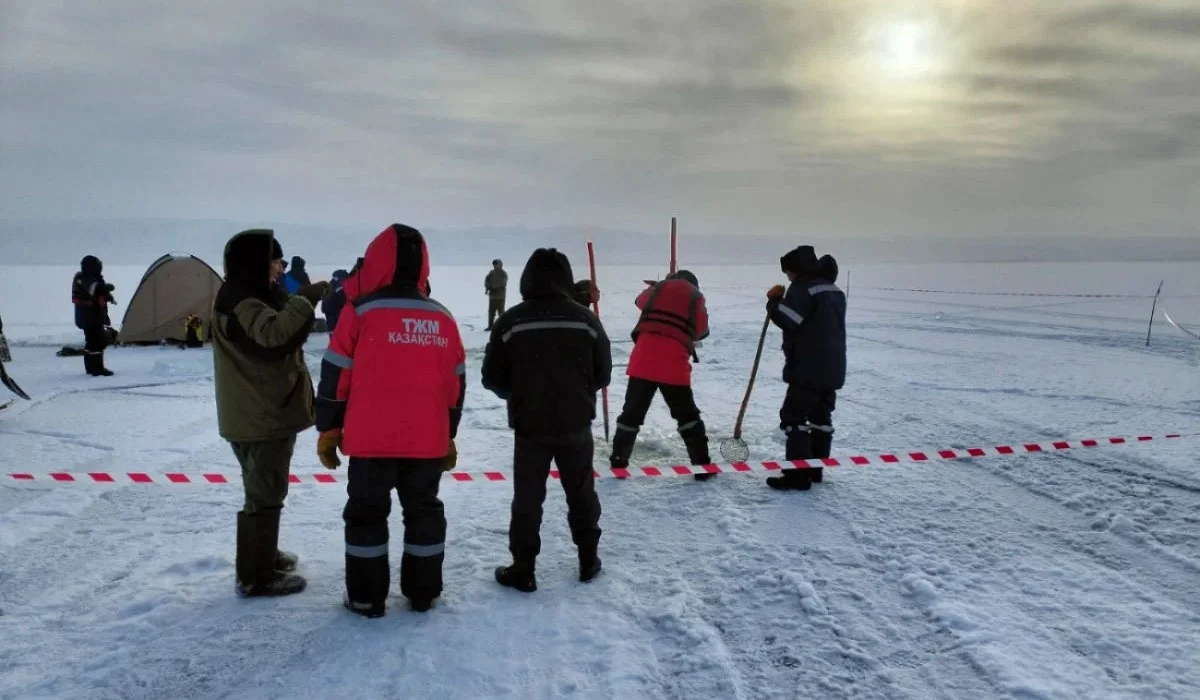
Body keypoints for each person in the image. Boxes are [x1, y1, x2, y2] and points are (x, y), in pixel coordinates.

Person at [315, 223, 466, 618]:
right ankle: (423, 593)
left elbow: (335, 374)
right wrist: (448, 434)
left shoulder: (360, 312)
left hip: (370, 442)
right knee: (424, 511)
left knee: (366, 514)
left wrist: (329, 427)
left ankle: (366, 598)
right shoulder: (443, 318)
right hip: (426, 442)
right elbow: (455, 383)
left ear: (377, 262)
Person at [481, 249, 612, 592]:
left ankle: (523, 569)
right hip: (575, 423)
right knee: (581, 493)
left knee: (527, 499)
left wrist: (522, 394)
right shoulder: (586, 320)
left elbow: (491, 376)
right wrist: (576, 392)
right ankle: (588, 560)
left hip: (530, 425)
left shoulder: (511, 321)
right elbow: (604, 373)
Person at [212, 229, 329, 596]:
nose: (280, 268)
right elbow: (275, 335)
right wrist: (305, 302)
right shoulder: (242, 301)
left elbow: (278, 326)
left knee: (263, 489)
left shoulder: (247, 295)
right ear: (257, 263)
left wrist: (295, 303)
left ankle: (263, 555)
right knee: (265, 492)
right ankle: (257, 576)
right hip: (259, 415)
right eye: (276, 261)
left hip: (258, 412)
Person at [609, 270, 713, 481]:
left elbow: (639, 301)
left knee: (631, 415)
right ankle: (702, 466)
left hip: (643, 360)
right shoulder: (696, 296)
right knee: (687, 416)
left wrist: (656, 288)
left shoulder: (658, 288)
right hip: (673, 364)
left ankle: (619, 463)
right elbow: (702, 330)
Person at [765, 246, 846, 491]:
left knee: (794, 418)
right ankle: (815, 471)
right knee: (821, 418)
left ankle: (798, 477)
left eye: (789, 273)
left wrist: (773, 303)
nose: (788, 278)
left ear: (795, 269)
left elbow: (789, 320)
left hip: (808, 367)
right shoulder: (834, 290)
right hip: (833, 367)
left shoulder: (803, 287)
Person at [71, 255, 117, 376]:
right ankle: (96, 369)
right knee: (95, 341)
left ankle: (94, 367)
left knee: (96, 341)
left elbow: (99, 291)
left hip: (95, 315)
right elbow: (94, 288)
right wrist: (105, 287)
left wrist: (108, 296)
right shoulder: (82, 278)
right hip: (88, 316)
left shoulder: (93, 277)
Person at [484, 259, 508, 331]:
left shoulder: (503, 274)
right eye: (494, 264)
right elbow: (486, 280)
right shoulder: (491, 273)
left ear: (500, 264)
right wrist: (488, 287)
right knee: (491, 312)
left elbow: (503, 283)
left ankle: (503, 326)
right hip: (492, 296)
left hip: (500, 297)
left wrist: (494, 288)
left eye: (496, 264)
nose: (495, 265)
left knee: (501, 312)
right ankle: (490, 325)